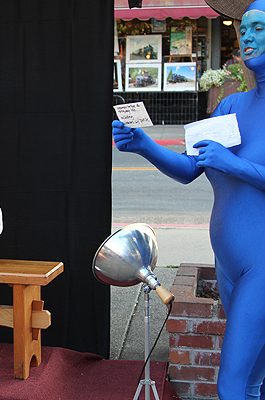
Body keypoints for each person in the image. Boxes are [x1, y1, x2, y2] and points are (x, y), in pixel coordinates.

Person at [113, 1, 265, 398]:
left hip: (262, 266)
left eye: (260, 28)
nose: (247, 37)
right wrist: (144, 145)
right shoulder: (231, 106)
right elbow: (189, 168)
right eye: (243, 29)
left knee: (231, 384)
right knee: (252, 382)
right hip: (230, 265)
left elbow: (230, 166)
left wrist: (235, 165)